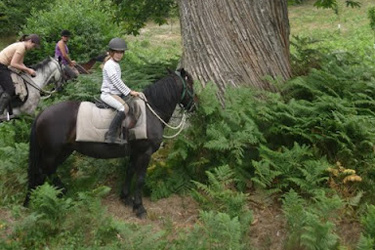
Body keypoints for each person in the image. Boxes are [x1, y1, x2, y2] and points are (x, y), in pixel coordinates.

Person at [100, 37, 140, 143]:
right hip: (108, 94)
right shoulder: (110, 65)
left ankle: (125, 132)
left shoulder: (115, 64)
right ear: (111, 52)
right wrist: (130, 92)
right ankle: (111, 135)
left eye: (121, 52)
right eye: (117, 52)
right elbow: (116, 81)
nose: (119, 54)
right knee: (124, 108)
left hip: (115, 94)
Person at [0, 34, 41, 114]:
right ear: (29, 41)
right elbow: (13, 64)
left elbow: (20, 63)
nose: (33, 48)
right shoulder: (21, 48)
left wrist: (28, 70)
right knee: (10, 89)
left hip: (3, 66)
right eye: (33, 46)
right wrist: (28, 70)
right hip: (1, 66)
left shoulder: (22, 47)